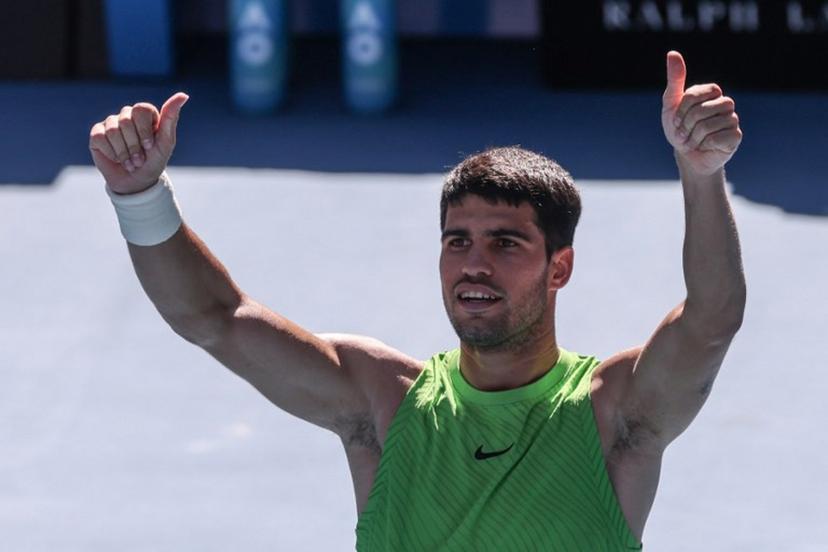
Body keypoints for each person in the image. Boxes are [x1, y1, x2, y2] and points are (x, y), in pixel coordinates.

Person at [88, 51, 745, 550]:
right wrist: (140, 197)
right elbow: (214, 318)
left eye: (506, 243)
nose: (474, 264)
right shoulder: (382, 401)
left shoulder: (613, 413)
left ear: (559, 268)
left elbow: (711, 321)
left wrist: (702, 174)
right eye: (457, 241)